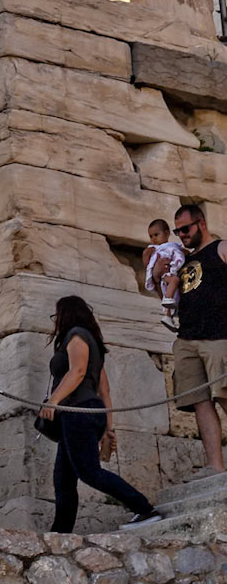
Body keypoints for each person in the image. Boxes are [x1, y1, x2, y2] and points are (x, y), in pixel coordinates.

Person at [39, 294, 156, 532]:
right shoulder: (93, 343)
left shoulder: (77, 335)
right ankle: (60, 533)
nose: (55, 322)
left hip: (77, 412)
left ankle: (143, 508)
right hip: (85, 412)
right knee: (63, 478)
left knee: (88, 472)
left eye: (56, 316)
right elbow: (105, 390)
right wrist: (108, 429)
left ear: (65, 315)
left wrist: (53, 401)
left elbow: (78, 371)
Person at [169, 202, 227, 474]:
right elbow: (171, 302)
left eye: (185, 229)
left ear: (200, 223)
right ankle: (215, 466)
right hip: (188, 337)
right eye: (177, 231)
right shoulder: (183, 263)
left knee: (225, 396)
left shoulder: (221, 248)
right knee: (201, 402)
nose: (181, 235)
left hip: (219, 334)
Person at [143, 218, 185, 329]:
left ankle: (168, 317)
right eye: (151, 236)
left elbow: (180, 252)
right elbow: (147, 263)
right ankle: (168, 299)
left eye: (156, 235)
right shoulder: (154, 249)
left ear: (166, 233)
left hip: (168, 274)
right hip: (165, 275)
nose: (154, 239)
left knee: (174, 288)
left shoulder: (172, 246)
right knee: (174, 280)